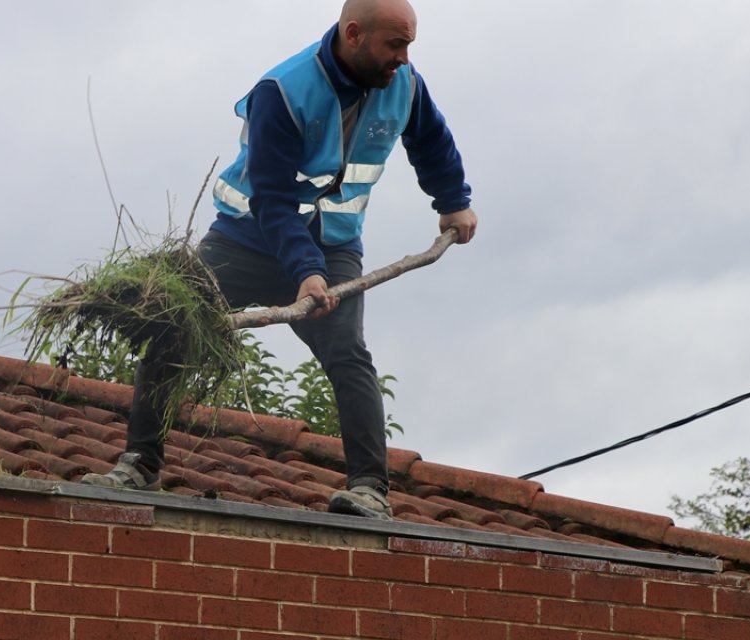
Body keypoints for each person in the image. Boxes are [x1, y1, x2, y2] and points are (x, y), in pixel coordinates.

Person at [83, 0, 477, 521]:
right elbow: (271, 198)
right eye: (395, 45)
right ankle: (138, 463)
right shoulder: (283, 91)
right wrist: (304, 273)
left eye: (409, 45)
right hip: (245, 241)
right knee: (174, 328)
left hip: (334, 245)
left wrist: (453, 199)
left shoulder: (405, 84)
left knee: (348, 352)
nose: (403, 59)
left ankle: (368, 490)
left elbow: (430, 140)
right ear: (353, 34)